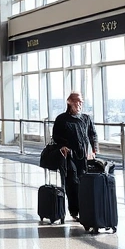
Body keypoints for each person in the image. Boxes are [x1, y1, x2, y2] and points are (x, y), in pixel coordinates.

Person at [52, 92, 99, 222]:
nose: (79, 104)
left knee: (84, 181)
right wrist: (62, 146)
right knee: (72, 182)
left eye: (81, 101)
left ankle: (85, 209)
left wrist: (94, 150)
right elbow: (56, 136)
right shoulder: (61, 119)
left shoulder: (86, 118)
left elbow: (92, 134)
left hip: (84, 156)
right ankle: (74, 211)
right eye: (77, 101)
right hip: (69, 156)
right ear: (69, 102)